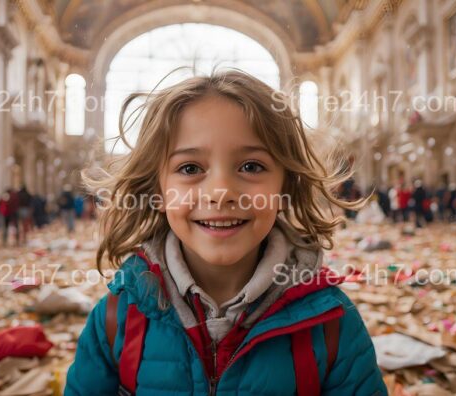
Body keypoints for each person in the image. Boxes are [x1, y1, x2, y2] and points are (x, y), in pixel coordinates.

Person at [65, 71, 386, 395]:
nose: (220, 192)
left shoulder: (331, 323)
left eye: (251, 166)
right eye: (190, 168)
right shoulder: (115, 321)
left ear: (285, 185)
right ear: (157, 191)